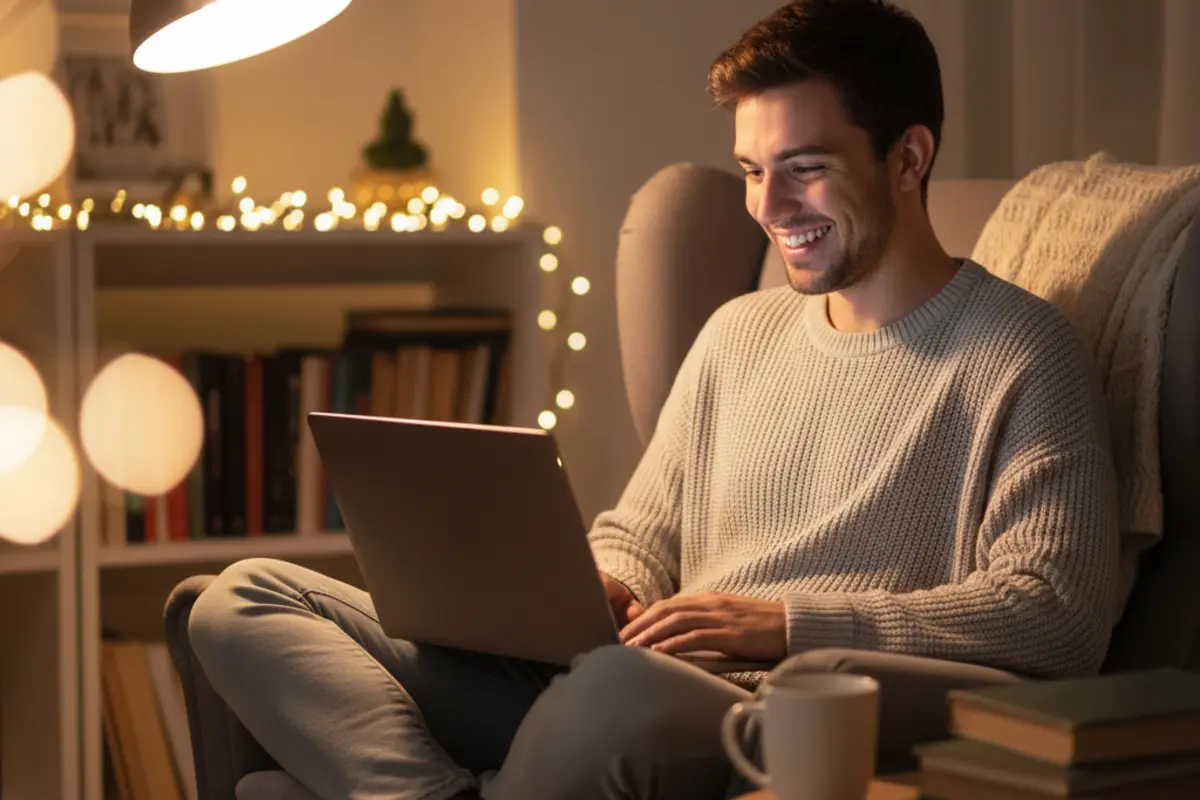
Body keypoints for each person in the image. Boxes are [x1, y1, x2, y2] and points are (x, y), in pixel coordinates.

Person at [189, 2, 1124, 799]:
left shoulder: (1022, 354)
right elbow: (644, 527)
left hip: (757, 708)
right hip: (612, 669)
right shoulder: (736, 334)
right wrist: (601, 583)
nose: (769, 206)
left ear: (908, 157)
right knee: (236, 600)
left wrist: (788, 621)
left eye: (805, 167)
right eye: (754, 172)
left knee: (613, 695)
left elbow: (1055, 614)